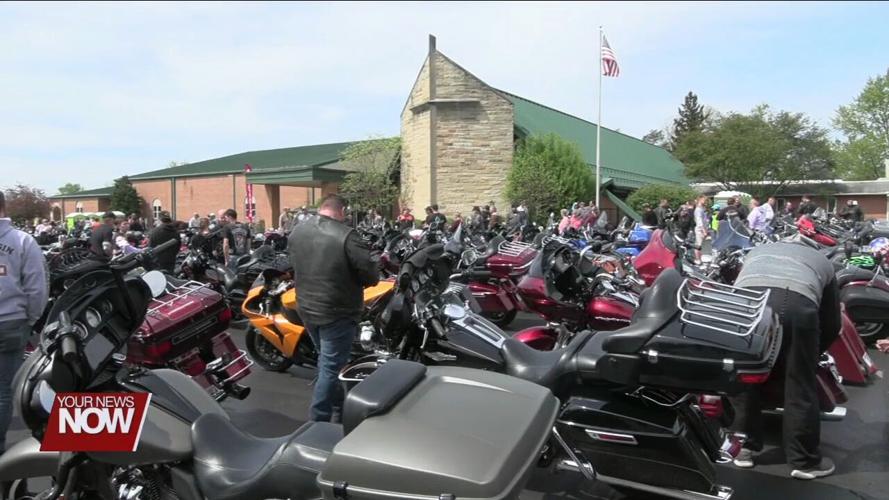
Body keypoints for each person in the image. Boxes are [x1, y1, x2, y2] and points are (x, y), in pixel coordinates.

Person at [731, 241, 840, 480]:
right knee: (799, 384)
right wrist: (808, 355)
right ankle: (804, 462)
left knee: (744, 377)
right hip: (795, 302)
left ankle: (742, 449)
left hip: (745, 303)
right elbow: (832, 323)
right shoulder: (824, 263)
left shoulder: (756, 252)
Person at [288, 194, 379, 422]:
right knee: (330, 367)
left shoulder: (298, 231)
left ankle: (339, 410)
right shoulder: (347, 235)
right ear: (341, 211)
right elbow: (371, 277)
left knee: (329, 362)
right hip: (337, 311)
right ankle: (317, 422)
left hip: (307, 307)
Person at [0, 192, 48, 454]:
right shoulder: (21, 241)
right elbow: (36, 288)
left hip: (10, 322)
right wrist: (30, 319)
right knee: (3, 391)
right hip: (10, 322)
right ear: (4, 208)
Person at [221, 209, 250, 273]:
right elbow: (248, 243)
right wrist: (247, 255)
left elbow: (225, 244)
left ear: (230, 217)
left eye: (226, 217)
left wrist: (226, 259)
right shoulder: (245, 226)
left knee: (232, 278)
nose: (225, 220)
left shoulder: (227, 227)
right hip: (244, 256)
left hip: (232, 257)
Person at [693, 195, 709, 264]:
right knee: (698, 244)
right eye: (704, 200)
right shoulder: (698, 210)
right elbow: (699, 221)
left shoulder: (702, 209)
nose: (705, 201)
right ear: (700, 200)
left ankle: (700, 258)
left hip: (703, 228)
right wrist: (704, 230)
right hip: (700, 229)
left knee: (701, 244)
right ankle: (697, 259)